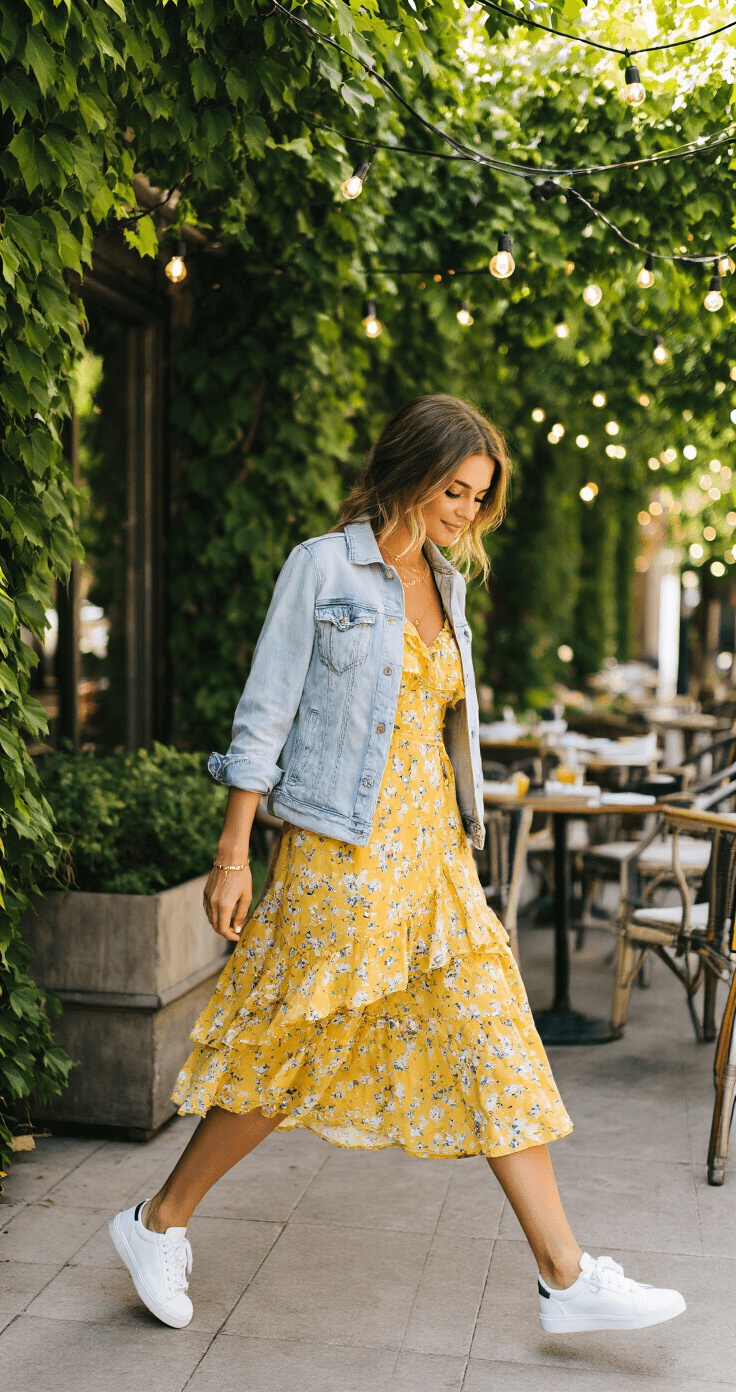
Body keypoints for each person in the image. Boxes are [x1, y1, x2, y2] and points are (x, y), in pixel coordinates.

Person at [110, 395, 685, 1335]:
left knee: (498, 1036)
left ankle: (565, 1275)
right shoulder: (323, 568)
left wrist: (465, 841)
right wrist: (232, 853)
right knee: (287, 1055)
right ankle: (158, 1220)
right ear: (409, 470)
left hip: (436, 857)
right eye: (454, 489)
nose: (464, 510)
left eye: (478, 497)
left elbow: (436, 730)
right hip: (341, 852)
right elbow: (264, 716)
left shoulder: (449, 585)